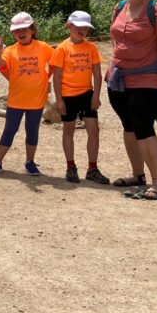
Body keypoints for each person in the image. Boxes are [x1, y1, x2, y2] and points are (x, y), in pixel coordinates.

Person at [107, 0, 157, 200]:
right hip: (118, 80)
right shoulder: (119, 7)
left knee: (144, 129)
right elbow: (115, 38)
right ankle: (138, 175)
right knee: (129, 127)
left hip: (146, 80)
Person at [0, 13, 54, 176]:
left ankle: (30, 162)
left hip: (36, 100)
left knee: (32, 131)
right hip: (16, 100)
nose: (20, 33)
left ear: (32, 29)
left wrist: (47, 76)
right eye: (17, 30)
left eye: (24, 29)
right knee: (10, 130)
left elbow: (55, 62)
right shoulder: (11, 50)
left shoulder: (43, 47)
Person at [51, 11, 110, 185]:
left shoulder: (91, 48)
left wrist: (96, 95)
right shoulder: (62, 48)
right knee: (68, 130)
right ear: (69, 26)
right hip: (68, 95)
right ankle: (71, 166)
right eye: (79, 26)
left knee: (94, 130)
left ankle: (92, 168)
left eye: (85, 28)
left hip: (86, 94)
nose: (82, 30)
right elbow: (56, 76)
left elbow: (97, 74)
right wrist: (59, 100)